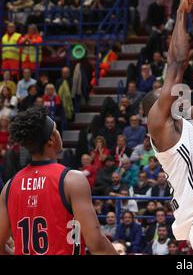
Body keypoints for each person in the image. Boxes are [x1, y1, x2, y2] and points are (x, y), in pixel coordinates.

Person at [0, 107, 117, 255]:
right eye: (56, 129)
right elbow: (97, 245)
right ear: (51, 139)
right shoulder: (72, 180)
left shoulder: (9, 186)